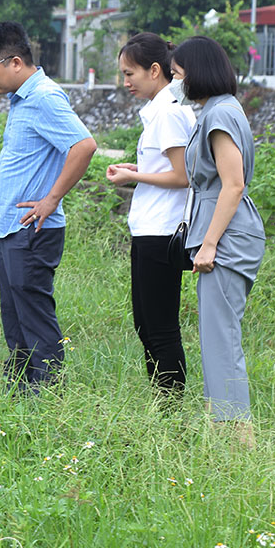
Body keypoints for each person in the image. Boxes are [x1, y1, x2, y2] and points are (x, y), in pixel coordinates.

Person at [0, 21, 97, 390]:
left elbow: (83, 145)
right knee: (15, 318)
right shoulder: (22, 99)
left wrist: (51, 199)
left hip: (32, 229)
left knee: (35, 319)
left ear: (13, 62)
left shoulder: (44, 96)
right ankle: (22, 394)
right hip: (14, 228)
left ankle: (46, 396)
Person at [172, 36, 265, 447]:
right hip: (224, 232)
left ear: (197, 72)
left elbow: (233, 184)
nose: (178, 83)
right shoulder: (220, 109)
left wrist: (209, 244)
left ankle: (238, 439)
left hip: (226, 235)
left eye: (178, 75)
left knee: (221, 335)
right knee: (214, 333)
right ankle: (220, 427)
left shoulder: (220, 115)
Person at [105, 33, 195, 395]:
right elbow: (168, 167)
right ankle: (164, 403)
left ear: (155, 70)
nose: (126, 82)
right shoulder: (161, 111)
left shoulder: (169, 113)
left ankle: (170, 408)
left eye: (130, 74)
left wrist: (134, 175)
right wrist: (139, 167)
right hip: (148, 230)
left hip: (162, 233)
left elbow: (182, 176)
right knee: (146, 323)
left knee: (159, 327)